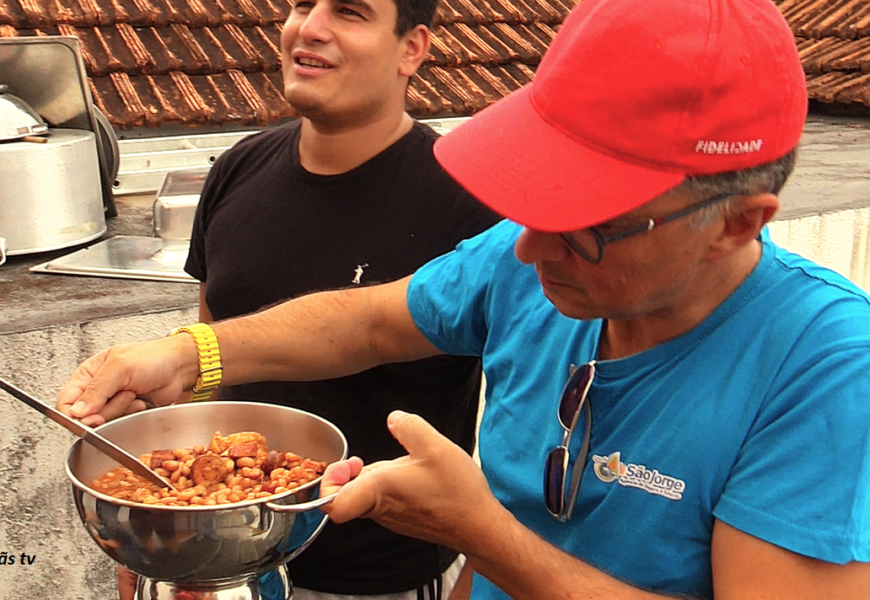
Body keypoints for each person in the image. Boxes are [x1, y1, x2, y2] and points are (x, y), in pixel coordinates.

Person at [58, 0, 870, 598]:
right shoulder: (533, 263)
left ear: (738, 222)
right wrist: (190, 354)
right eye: (539, 194)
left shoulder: (823, 367)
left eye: (587, 220)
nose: (527, 246)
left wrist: (480, 533)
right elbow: (367, 319)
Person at [114, 0, 500, 598]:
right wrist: (156, 528)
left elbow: (521, 437)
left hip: (379, 578)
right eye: (301, 5)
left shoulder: (469, 203)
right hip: (221, 561)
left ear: (412, 49)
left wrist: (476, 582)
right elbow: (209, 374)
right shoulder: (236, 170)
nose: (309, 27)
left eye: (349, 12)